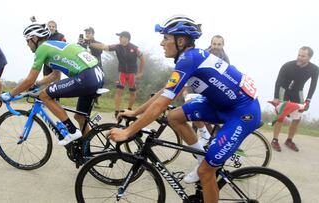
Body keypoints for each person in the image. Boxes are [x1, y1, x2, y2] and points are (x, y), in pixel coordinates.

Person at [108, 15, 261, 203]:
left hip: (242, 113)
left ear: (180, 41)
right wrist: (135, 112)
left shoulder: (189, 59)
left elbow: (160, 104)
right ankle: (200, 161)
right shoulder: (189, 58)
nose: (162, 43)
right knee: (174, 117)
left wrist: (129, 131)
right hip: (221, 104)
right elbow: (165, 92)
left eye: (166, 38)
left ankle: (204, 169)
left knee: (207, 172)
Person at [0, 23, 104, 145]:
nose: (27, 44)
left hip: (86, 77)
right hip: (97, 75)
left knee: (44, 96)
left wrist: (9, 94)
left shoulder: (42, 49)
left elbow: (29, 80)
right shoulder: (54, 46)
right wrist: (37, 85)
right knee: (80, 117)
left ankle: (72, 131)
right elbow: (55, 75)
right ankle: (86, 152)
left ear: (34, 38)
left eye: (28, 41)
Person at [182, 34, 231, 146]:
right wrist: (185, 88)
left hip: (214, 91)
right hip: (199, 89)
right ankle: (199, 144)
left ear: (223, 45)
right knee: (195, 115)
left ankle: (211, 139)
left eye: (219, 44)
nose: (216, 46)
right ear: (211, 43)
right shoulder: (204, 53)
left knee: (203, 115)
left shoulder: (225, 59)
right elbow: (193, 70)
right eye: (214, 44)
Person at [271, 46, 318, 152]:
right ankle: (275, 140)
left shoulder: (314, 69)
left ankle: (289, 140)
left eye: (303, 56)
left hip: (298, 93)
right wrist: (276, 97)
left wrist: (308, 100)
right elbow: (278, 81)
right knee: (281, 116)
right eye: (299, 55)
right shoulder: (287, 65)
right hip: (284, 91)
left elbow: (313, 85)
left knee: (297, 118)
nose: (300, 57)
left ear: (309, 57)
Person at [89, 31, 145, 117]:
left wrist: (140, 72)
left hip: (132, 74)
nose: (119, 38)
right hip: (122, 73)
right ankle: (116, 111)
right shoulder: (117, 46)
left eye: (120, 37)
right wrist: (90, 43)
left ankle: (129, 110)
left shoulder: (135, 48)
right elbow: (103, 46)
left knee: (132, 93)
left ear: (126, 38)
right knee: (118, 91)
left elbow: (143, 59)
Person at [78, 27, 103, 107]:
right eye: (86, 33)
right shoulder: (83, 42)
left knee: (97, 84)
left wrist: (89, 44)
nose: (87, 35)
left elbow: (100, 51)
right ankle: (86, 99)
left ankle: (96, 100)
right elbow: (78, 52)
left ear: (93, 34)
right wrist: (79, 44)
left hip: (96, 65)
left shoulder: (98, 43)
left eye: (89, 33)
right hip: (85, 66)